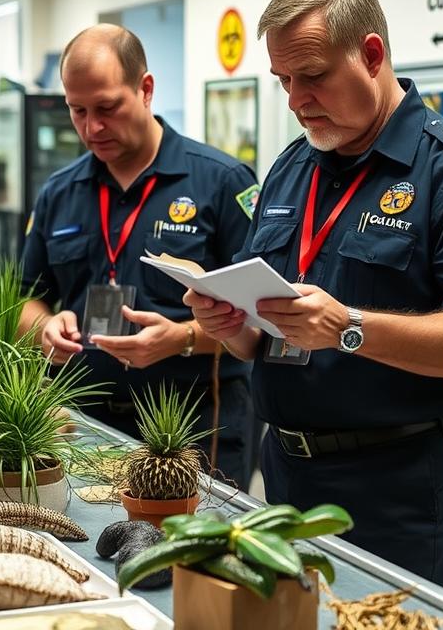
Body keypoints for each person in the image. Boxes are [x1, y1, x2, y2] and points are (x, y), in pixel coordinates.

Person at [185, 0, 443, 586]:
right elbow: (270, 337)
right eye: (284, 81)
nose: (296, 99)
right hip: (284, 469)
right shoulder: (293, 166)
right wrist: (231, 325)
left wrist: (348, 327)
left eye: (312, 75)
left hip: (397, 481)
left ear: (372, 55)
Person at [18, 24, 261, 487]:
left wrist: (182, 337)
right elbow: (26, 300)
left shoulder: (221, 182)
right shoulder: (59, 192)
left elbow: (263, 319)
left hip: (196, 425)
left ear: (145, 89)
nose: (92, 127)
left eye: (108, 107)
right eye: (78, 111)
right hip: (84, 424)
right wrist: (45, 327)